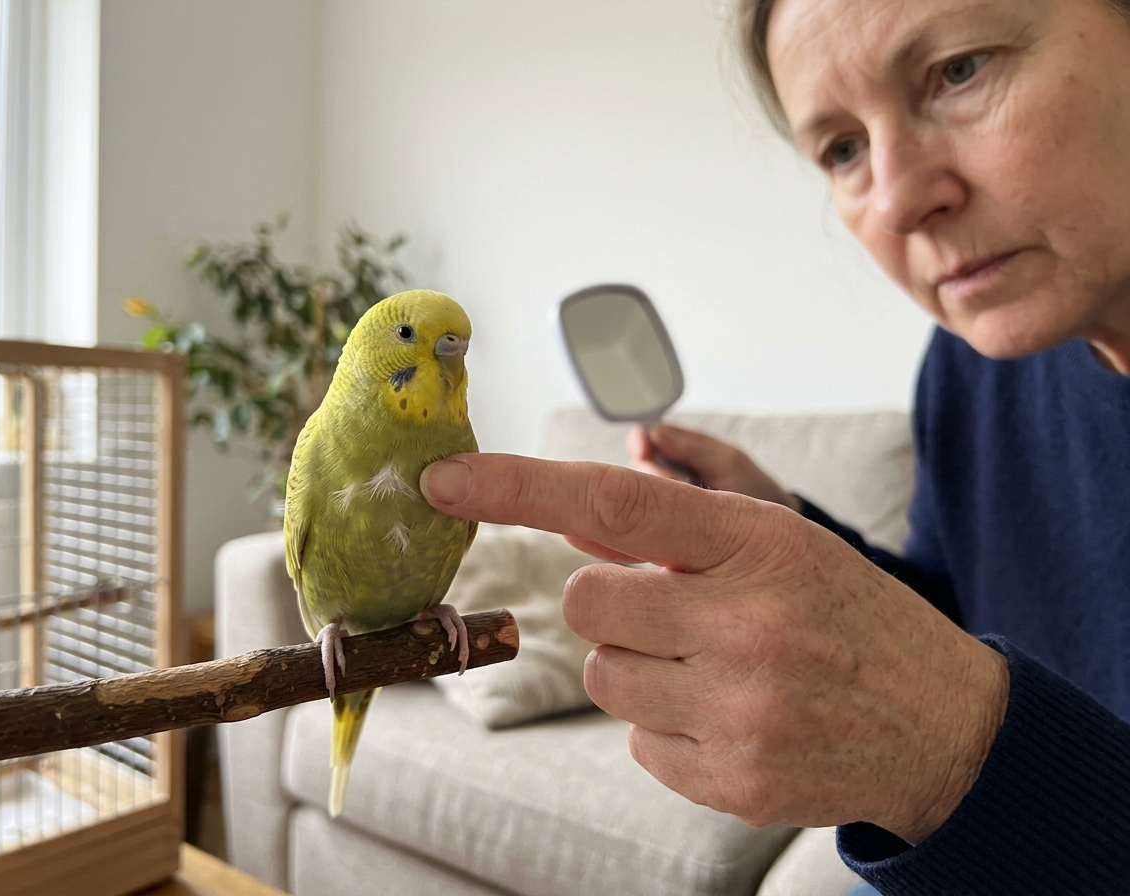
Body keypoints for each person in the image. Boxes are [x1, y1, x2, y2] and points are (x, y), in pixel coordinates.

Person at [420, 0, 1130, 891]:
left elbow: (956, 703)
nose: (902, 198)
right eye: (842, 149)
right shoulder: (968, 366)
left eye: (959, 70)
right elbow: (962, 616)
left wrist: (949, 754)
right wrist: (792, 525)